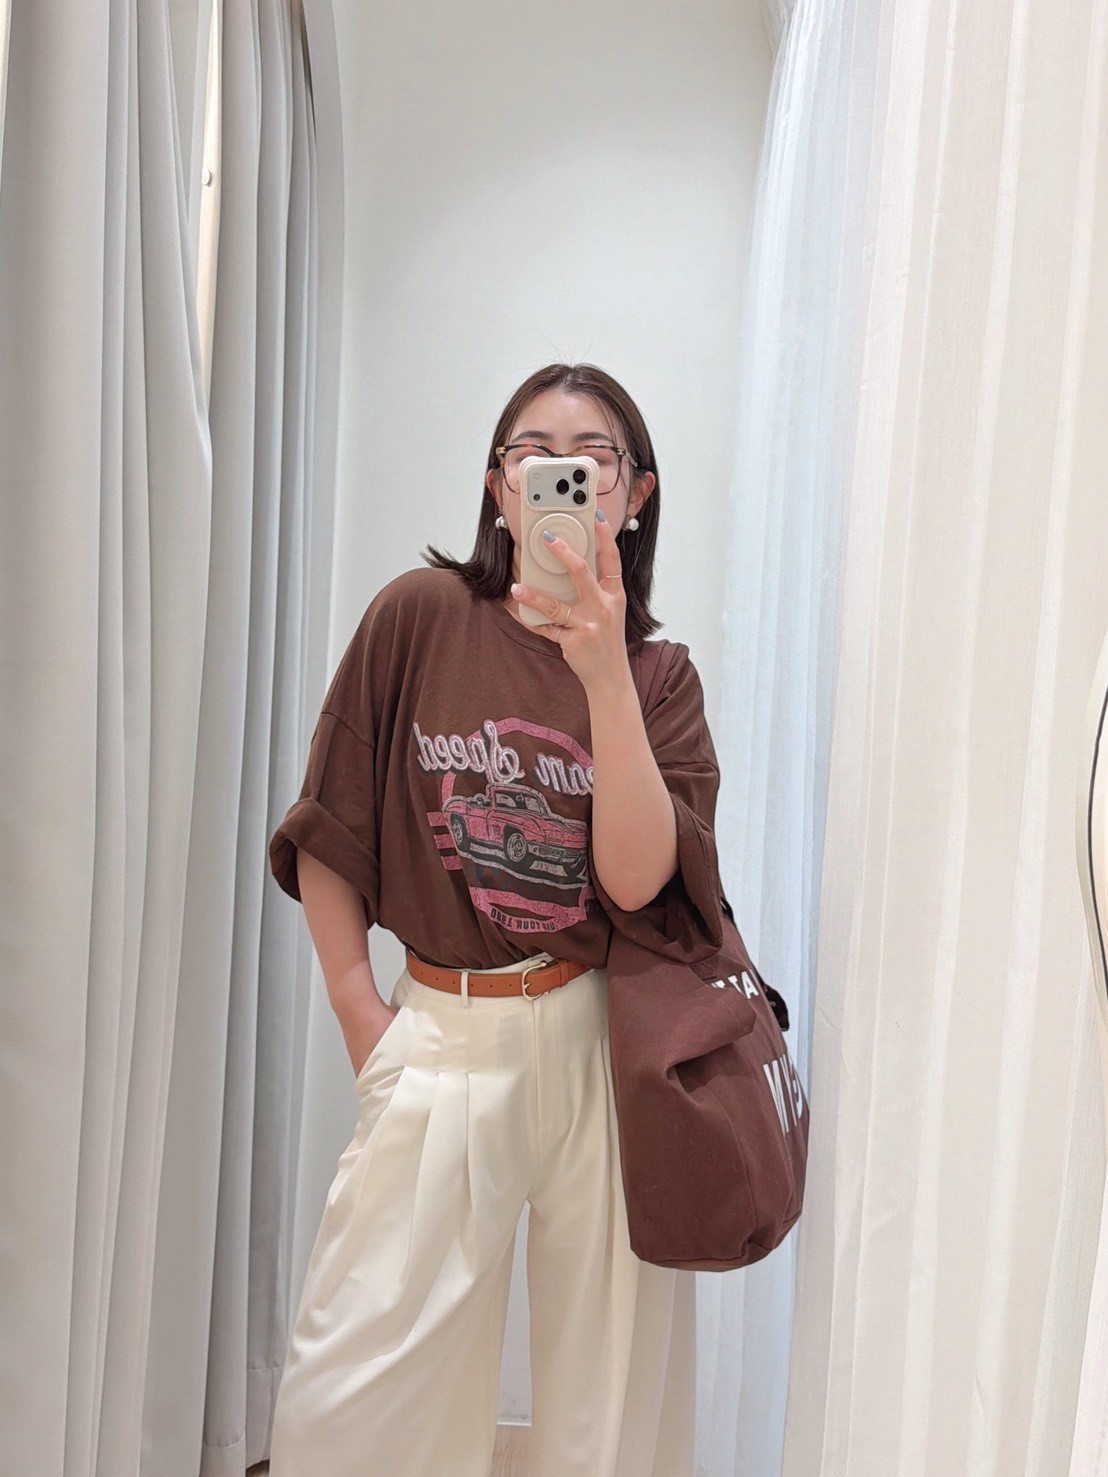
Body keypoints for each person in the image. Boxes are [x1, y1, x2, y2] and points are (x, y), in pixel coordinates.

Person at [266, 363, 723, 1477]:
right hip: (442, 1031)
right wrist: (360, 1014)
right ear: (499, 485)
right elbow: (331, 822)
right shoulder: (418, 617)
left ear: (632, 495)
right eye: (532, 452)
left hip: (597, 1038)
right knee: (357, 1386)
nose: (561, 471)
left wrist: (603, 673)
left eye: (592, 457)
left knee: (602, 1404)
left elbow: (634, 881)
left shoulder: (659, 677)